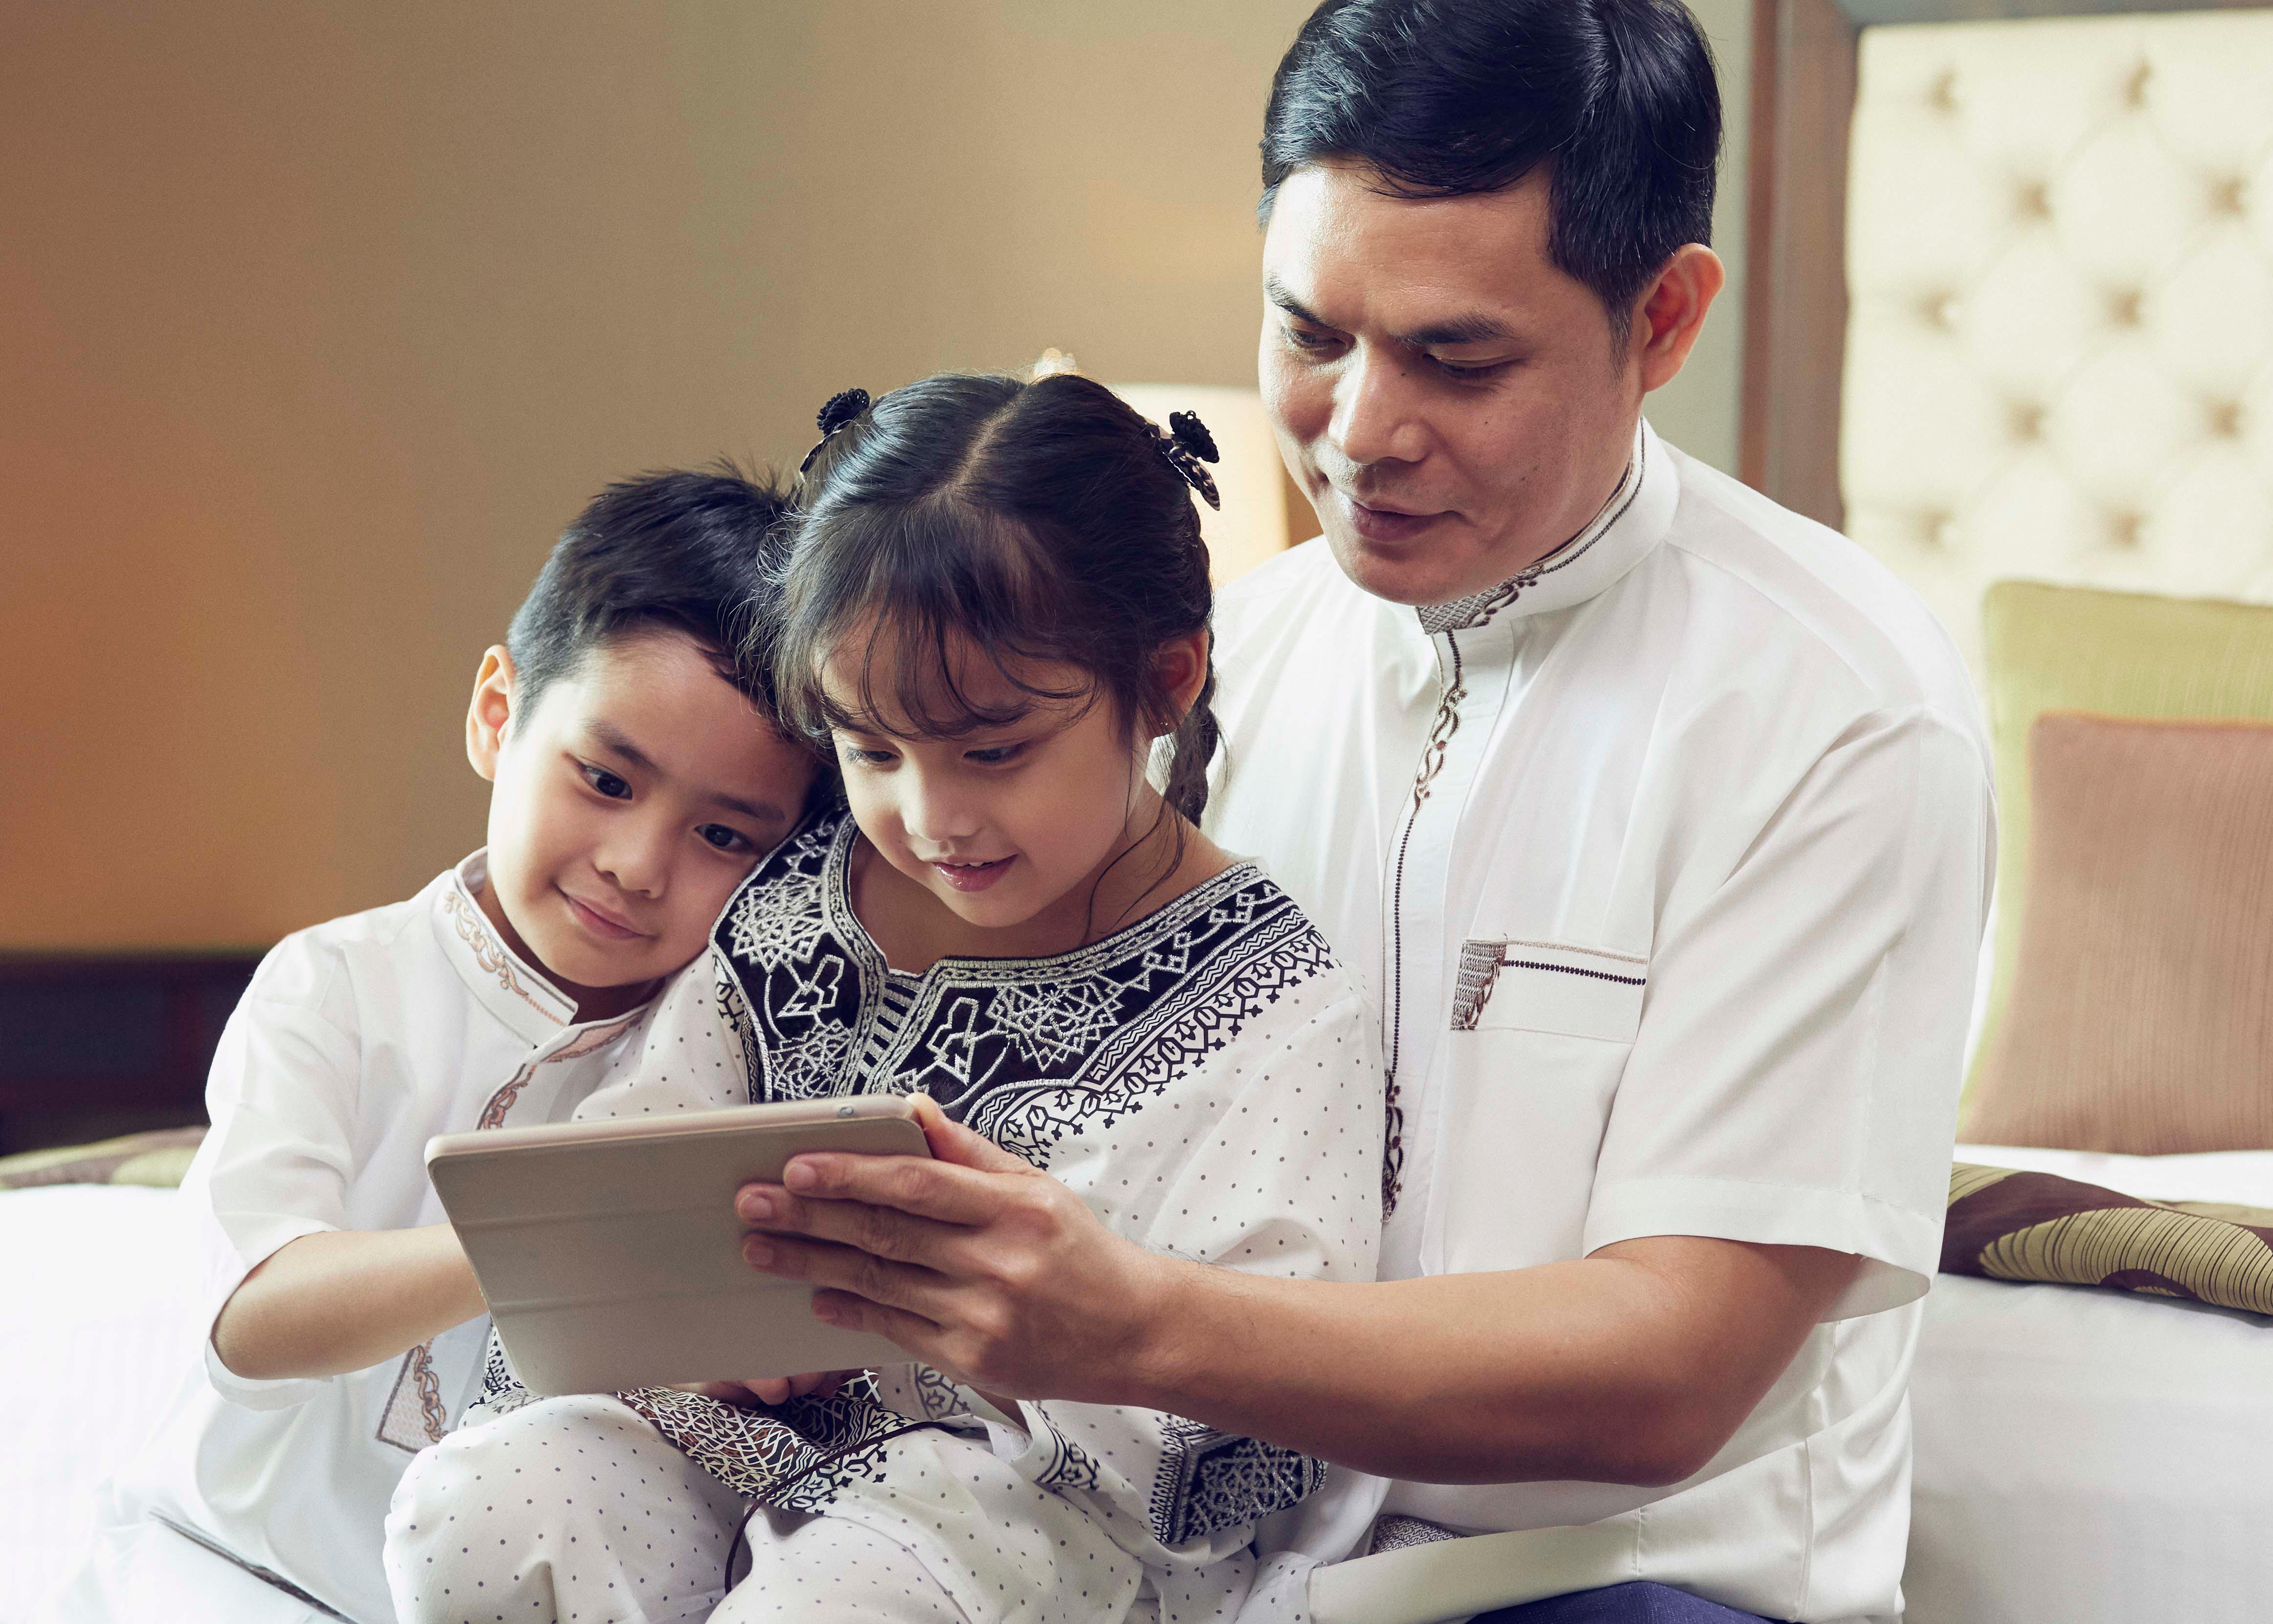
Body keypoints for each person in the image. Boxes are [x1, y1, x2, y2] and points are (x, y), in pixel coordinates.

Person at [710, 5, 1995, 1622]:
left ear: (1658, 317)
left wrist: (1128, 1325)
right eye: (1308, 336)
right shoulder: (1220, 657)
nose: (1358, 431)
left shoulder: (1838, 712)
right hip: (1194, 1561)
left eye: (1455, 359)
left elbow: (1670, 1365)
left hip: (1615, 1588)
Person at [383, 372, 1386, 1624]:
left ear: (1165, 678)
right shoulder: (797, 886)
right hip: (726, 1425)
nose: (928, 816)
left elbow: (1266, 1395)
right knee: (485, 1508)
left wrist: (1036, 1335)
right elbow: (643, 1137)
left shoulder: (1273, 998)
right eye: (869, 749)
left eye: (993, 750)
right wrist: (700, 1316)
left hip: (1023, 1514)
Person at [54, 467, 823, 1624]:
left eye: (722, 833)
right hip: (215, 1565)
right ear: (497, 714)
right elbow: (250, 1315)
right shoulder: (339, 985)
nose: (637, 861)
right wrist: (558, 1236)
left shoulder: (715, 1063)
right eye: (606, 779)